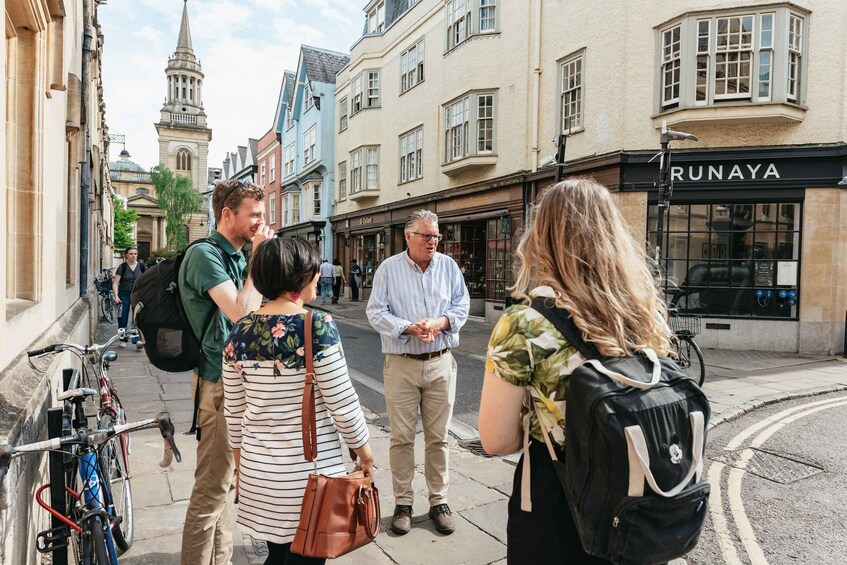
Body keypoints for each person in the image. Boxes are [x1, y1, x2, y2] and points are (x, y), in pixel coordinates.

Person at [478, 179, 672, 564]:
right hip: (639, 492)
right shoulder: (639, 311)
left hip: (558, 501)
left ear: (542, 238)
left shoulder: (525, 323)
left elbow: (495, 440)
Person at [222, 237, 374, 565]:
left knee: (279, 556)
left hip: (257, 474)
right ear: (300, 276)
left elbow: (233, 413)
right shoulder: (316, 326)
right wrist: (365, 454)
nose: (319, 274)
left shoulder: (238, 333)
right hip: (306, 481)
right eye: (314, 269)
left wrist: (240, 467)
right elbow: (344, 404)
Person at [179, 179, 274, 565]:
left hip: (236, 381)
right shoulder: (205, 255)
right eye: (254, 215)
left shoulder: (235, 255)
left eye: (262, 215)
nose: (260, 222)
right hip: (217, 385)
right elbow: (242, 313)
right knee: (211, 490)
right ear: (227, 214)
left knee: (228, 484)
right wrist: (257, 258)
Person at [366, 210, 469, 536]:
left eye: (436, 236)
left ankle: (439, 501)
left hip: (440, 362)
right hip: (401, 364)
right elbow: (375, 312)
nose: (433, 242)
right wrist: (408, 327)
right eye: (426, 235)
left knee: (439, 439)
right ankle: (403, 503)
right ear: (408, 236)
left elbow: (462, 305)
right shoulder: (388, 269)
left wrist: (439, 323)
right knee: (401, 438)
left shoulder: (449, 267)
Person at [112, 246, 146, 348]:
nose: (133, 256)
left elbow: (145, 281)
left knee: (136, 317)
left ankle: (137, 340)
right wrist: (116, 296)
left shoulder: (141, 266)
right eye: (131, 254)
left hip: (137, 295)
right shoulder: (122, 267)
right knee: (122, 317)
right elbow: (115, 283)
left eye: (135, 254)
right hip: (124, 294)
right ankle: (123, 339)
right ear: (126, 255)